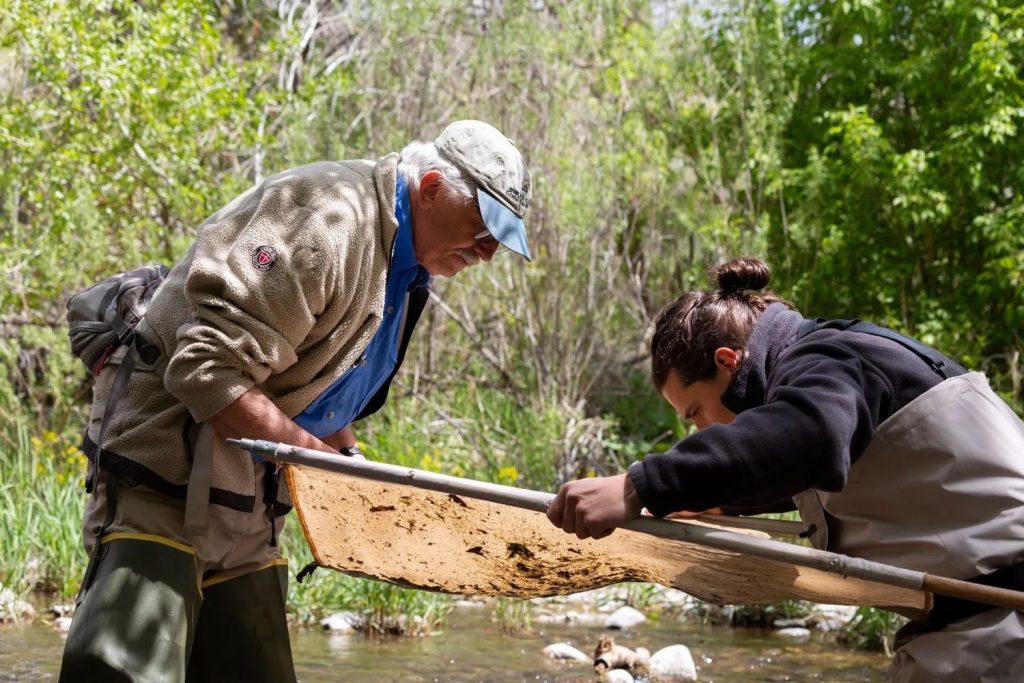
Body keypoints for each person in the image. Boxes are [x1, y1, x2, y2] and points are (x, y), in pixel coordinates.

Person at [60, 120, 534, 682]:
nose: (485, 255)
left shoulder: (408, 270)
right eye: (483, 230)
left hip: (248, 500)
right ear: (430, 188)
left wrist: (349, 462)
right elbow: (205, 368)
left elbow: (322, 385)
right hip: (165, 476)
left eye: (497, 243)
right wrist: (321, 466)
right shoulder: (326, 218)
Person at [546, 257, 1024, 682]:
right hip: (987, 623)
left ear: (728, 362)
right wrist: (710, 497)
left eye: (694, 412)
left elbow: (806, 439)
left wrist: (641, 485)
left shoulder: (827, 357)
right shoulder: (838, 356)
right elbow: (831, 465)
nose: (698, 432)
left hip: (1001, 632)